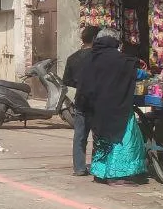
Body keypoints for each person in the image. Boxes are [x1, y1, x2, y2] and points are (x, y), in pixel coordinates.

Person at [75, 29, 147, 186]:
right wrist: (148, 74)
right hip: (117, 110)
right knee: (123, 141)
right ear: (114, 41)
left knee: (102, 142)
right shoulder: (120, 60)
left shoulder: (89, 59)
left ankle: (100, 173)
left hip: (96, 110)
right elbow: (138, 74)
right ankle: (116, 176)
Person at [63, 26, 101, 176]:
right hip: (98, 100)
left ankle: (79, 168)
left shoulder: (72, 58)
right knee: (99, 136)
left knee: (80, 135)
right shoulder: (100, 57)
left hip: (81, 100)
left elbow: (67, 80)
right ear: (95, 39)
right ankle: (98, 166)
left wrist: (80, 84)